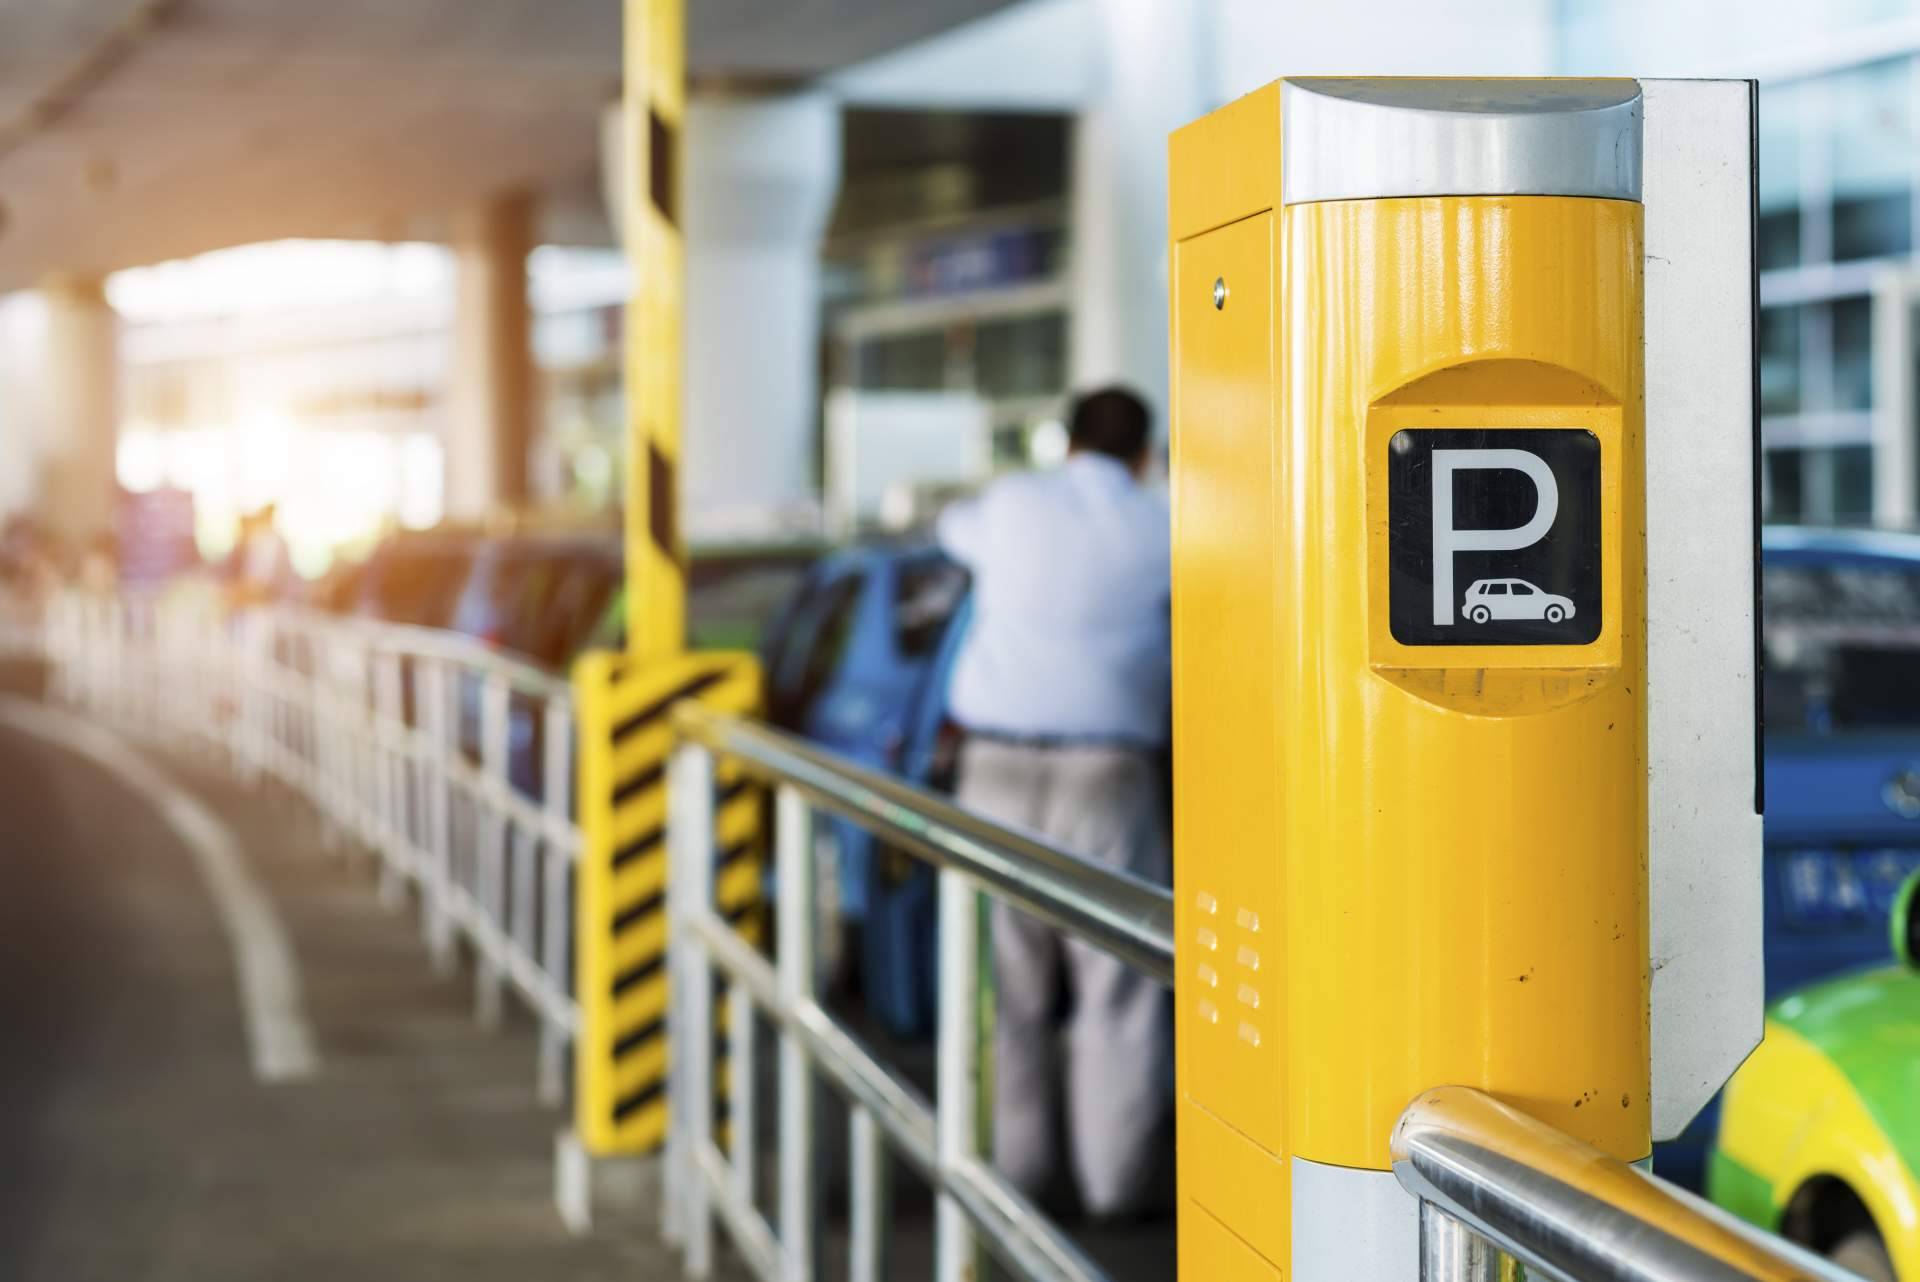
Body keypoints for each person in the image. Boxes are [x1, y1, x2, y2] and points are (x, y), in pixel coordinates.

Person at [935, 386, 1171, 1219]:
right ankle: (1116, 1189)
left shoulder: (1013, 502)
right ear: (1144, 454)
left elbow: (948, 535)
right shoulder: (1161, 522)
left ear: (1067, 443)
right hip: (1109, 774)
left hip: (995, 767)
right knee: (1119, 990)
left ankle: (1016, 1177)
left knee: (1007, 986)